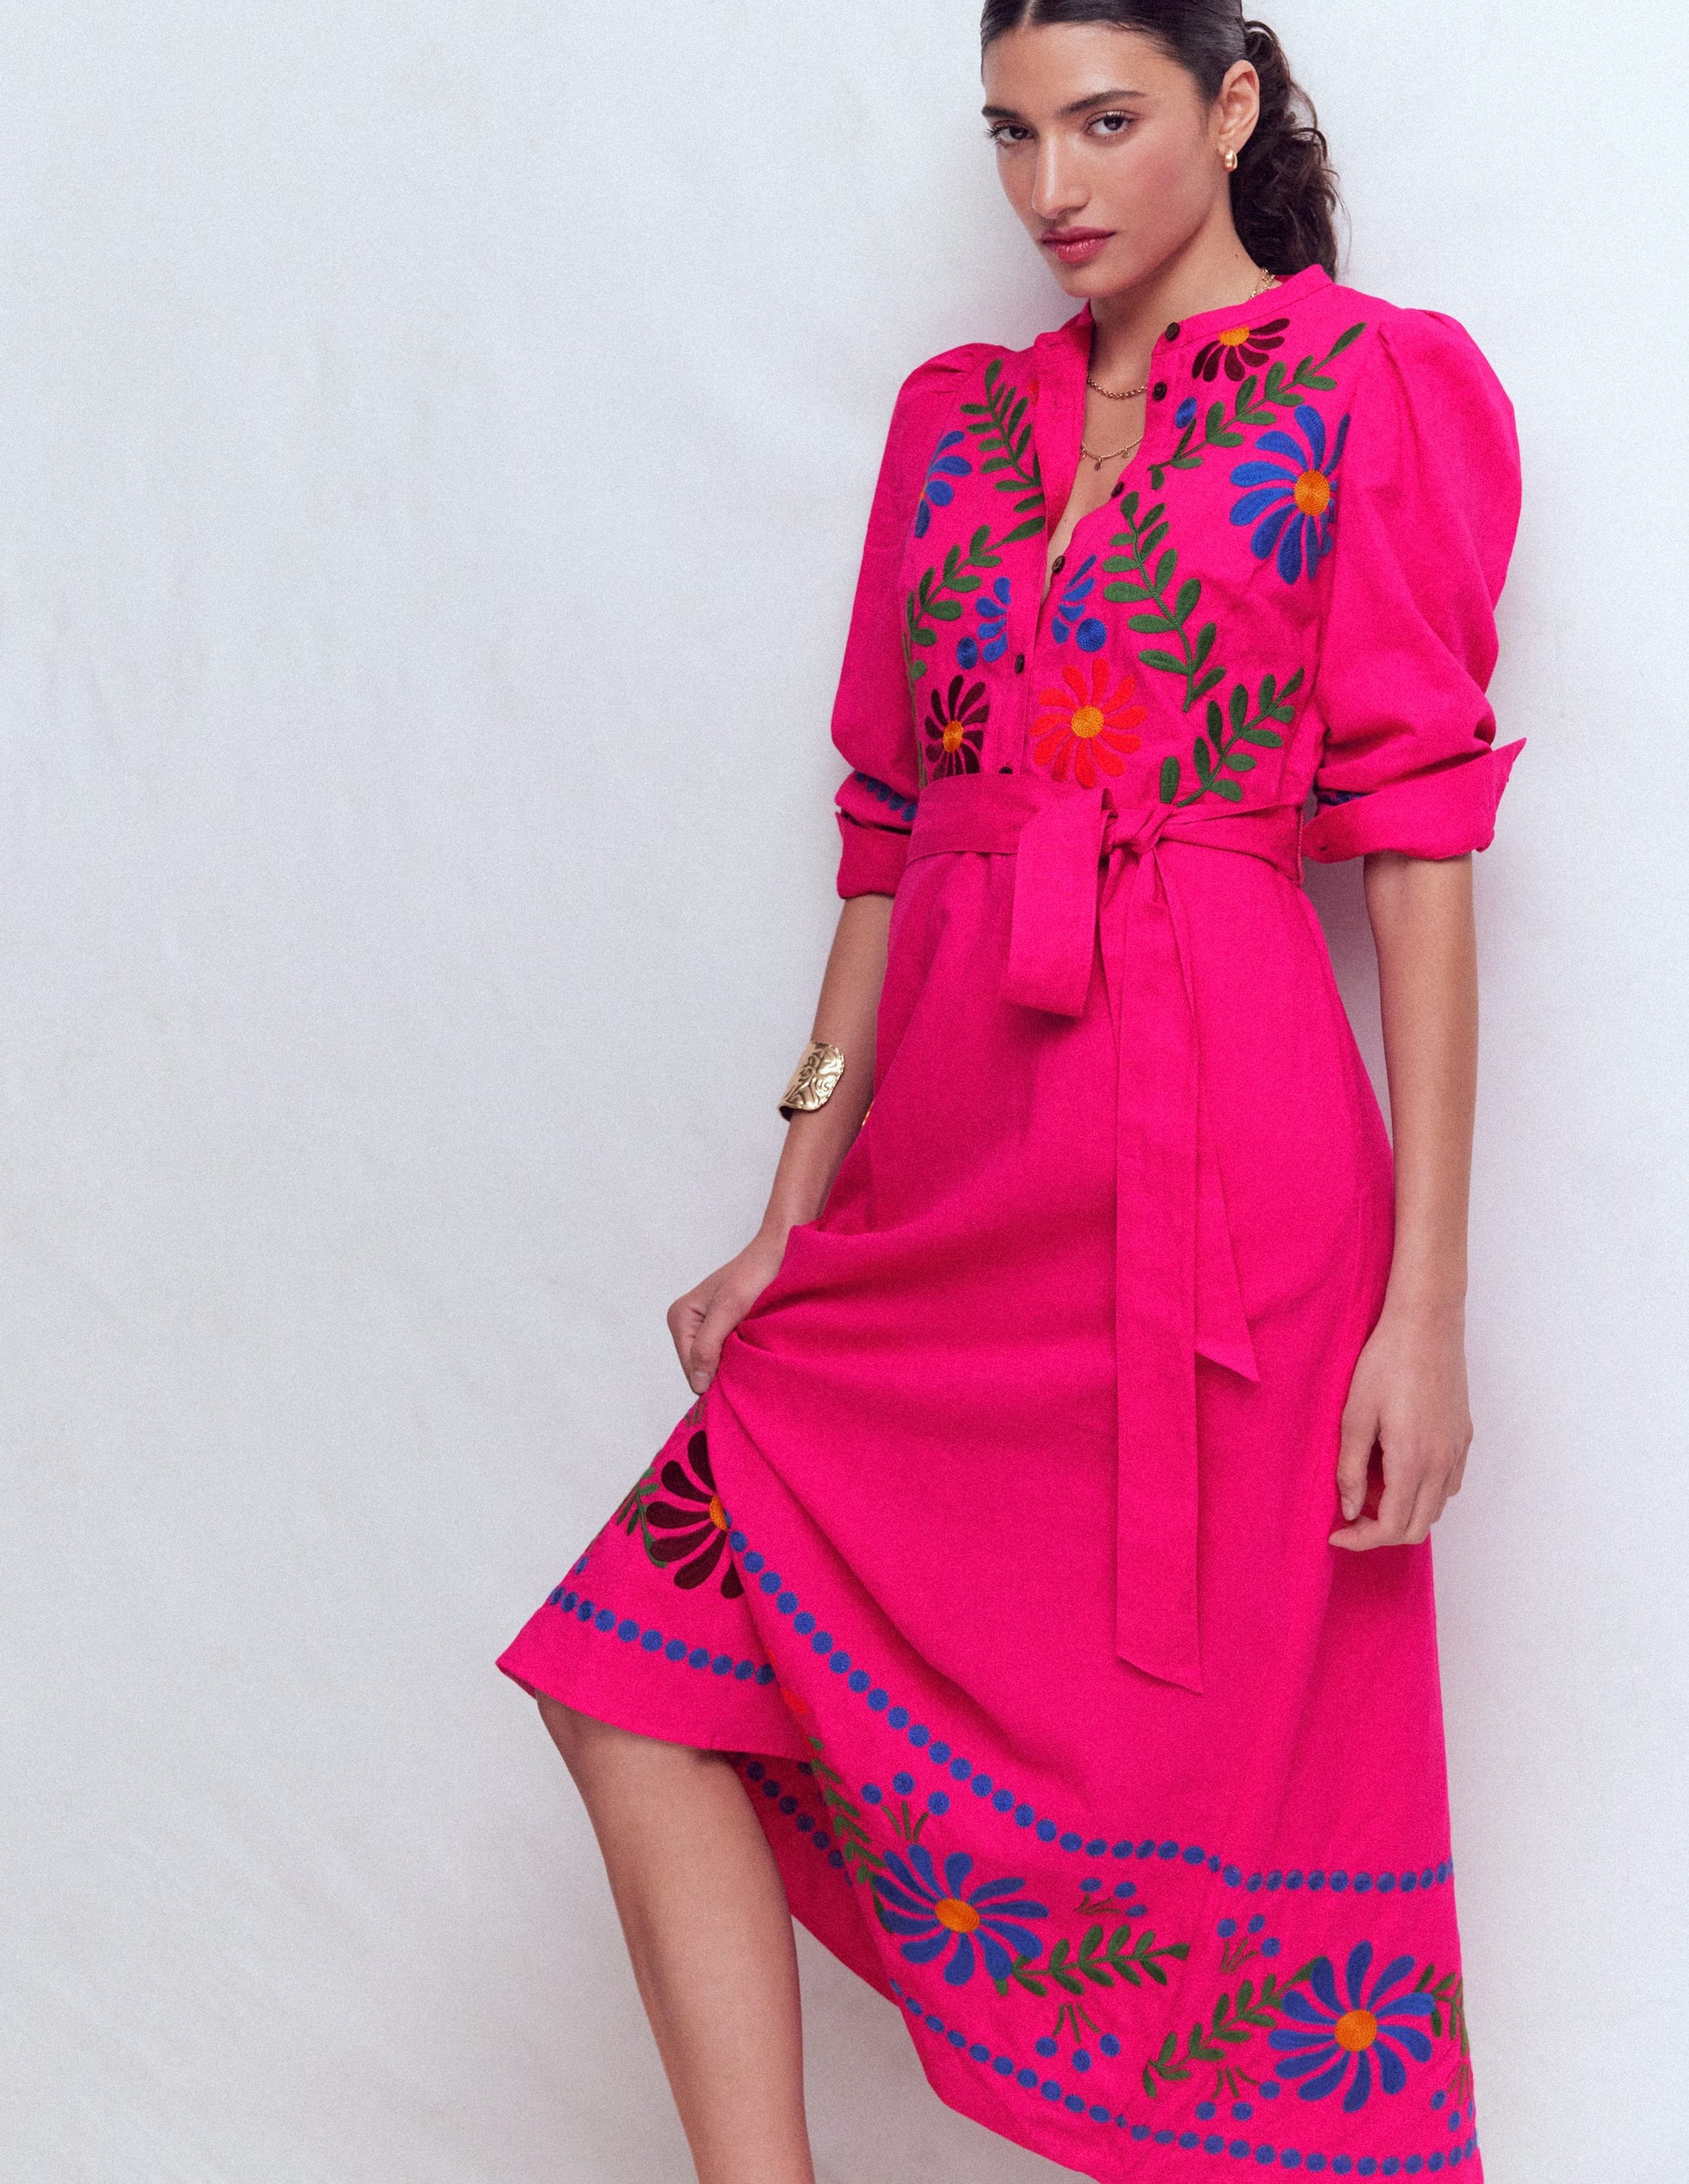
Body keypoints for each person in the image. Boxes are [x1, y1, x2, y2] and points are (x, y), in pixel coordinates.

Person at [496, 4, 1521, 2178]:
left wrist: (1422, 1304)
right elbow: (888, 837)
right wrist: (796, 1202)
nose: (1052, 186)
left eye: (1106, 122)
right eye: (1011, 133)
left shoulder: (1371, 391)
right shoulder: (950, 425)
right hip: (951, 1177)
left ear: (1231, 112)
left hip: (1227, 1204)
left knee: (1208, 1809)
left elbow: (1418, 851)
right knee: (629, 1676)